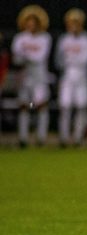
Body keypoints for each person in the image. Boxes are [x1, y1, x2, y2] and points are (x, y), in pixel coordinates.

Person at [12, 5, 51, 148]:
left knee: (40, 105)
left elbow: (40, 57)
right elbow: (16, 58)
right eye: (28, 21)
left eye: (34, 21)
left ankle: (41, 137)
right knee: (25, 105)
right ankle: (23, 138)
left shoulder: (45, 38)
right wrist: (26, 56)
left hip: (39, 76)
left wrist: (25, 55)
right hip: (24, 76)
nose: (31, 24)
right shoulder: (20, 38)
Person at [55, 8, 87, 147]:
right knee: (65, 106)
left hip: (82, 75)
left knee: (81, 106)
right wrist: (69, 63)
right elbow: (59, 60)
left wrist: (72, 60)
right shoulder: (64, 40)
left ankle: (78, 137)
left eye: (77, 22)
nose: (74, 25)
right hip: (67, 76)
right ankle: (63, 138)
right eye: (71, 22)